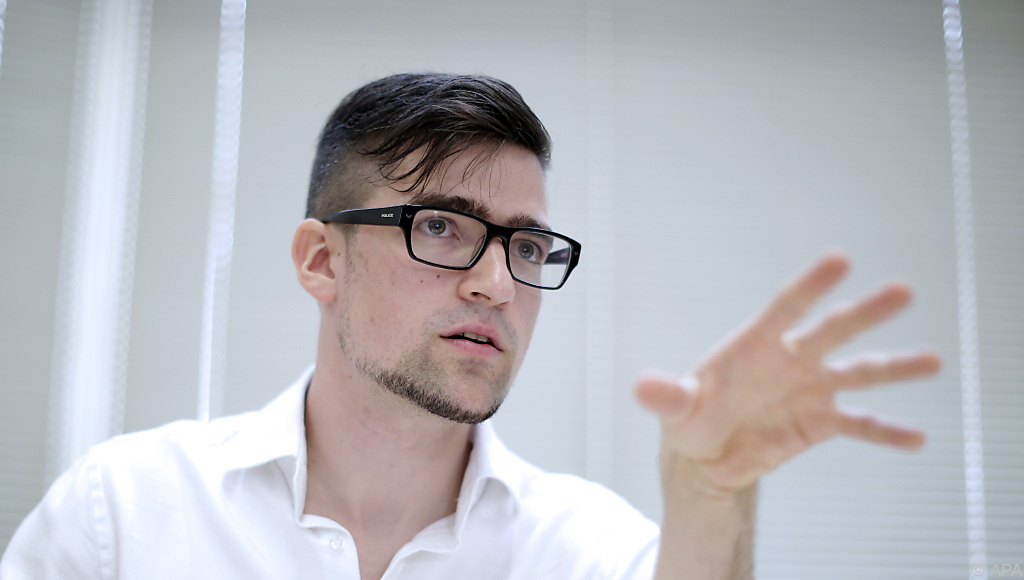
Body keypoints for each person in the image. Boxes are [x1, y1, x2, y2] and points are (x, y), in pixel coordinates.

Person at [1, 73, 941, 579]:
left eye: (528, 246)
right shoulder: (123, 515)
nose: (497, 283)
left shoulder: (590, 553)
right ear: (322, 261)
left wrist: (712, 497)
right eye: (442, 227)